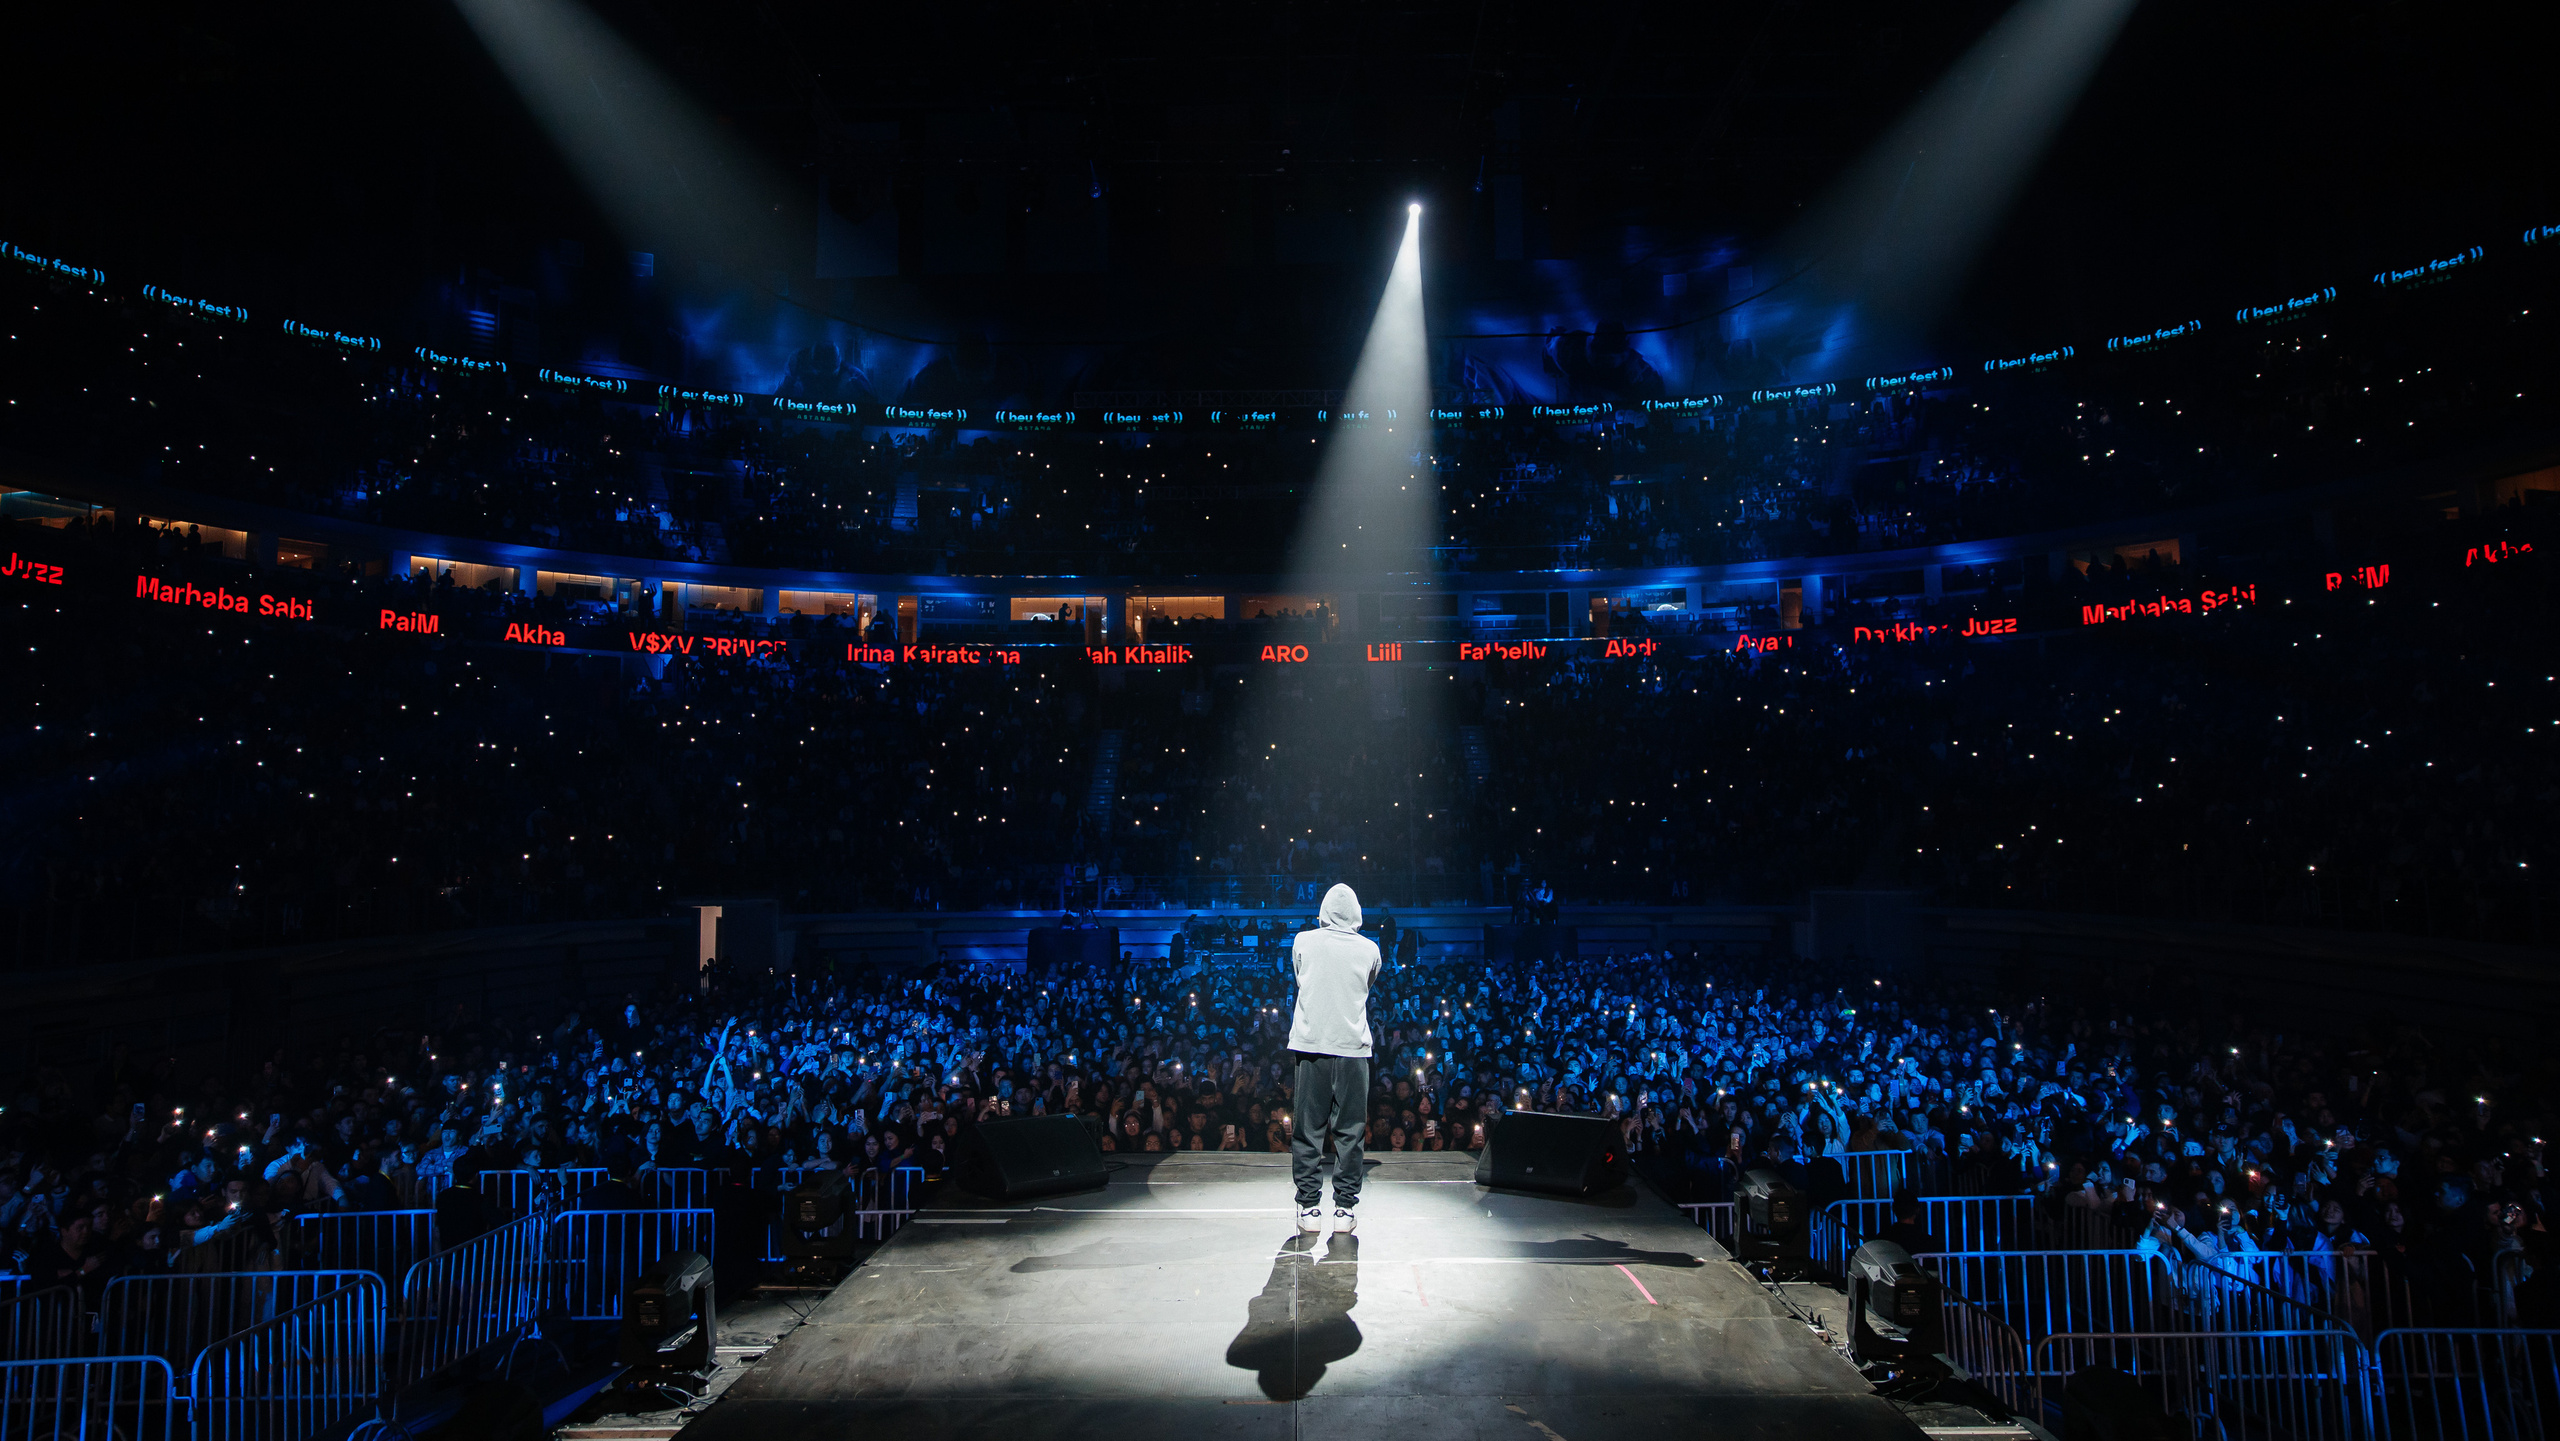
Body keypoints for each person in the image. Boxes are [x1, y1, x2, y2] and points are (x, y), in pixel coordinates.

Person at [1287, 884, 1382, 1235]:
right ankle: (1344, 1208)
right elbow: (1368, 984)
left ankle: (1309, 1206)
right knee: (1350, 1131)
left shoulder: (1303, 941)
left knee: (1307, 1129)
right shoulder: (1370, 948)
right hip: (1353, 1049)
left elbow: (1301, 979)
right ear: (1357, 913)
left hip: (1312, 1045)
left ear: (1324, 909)